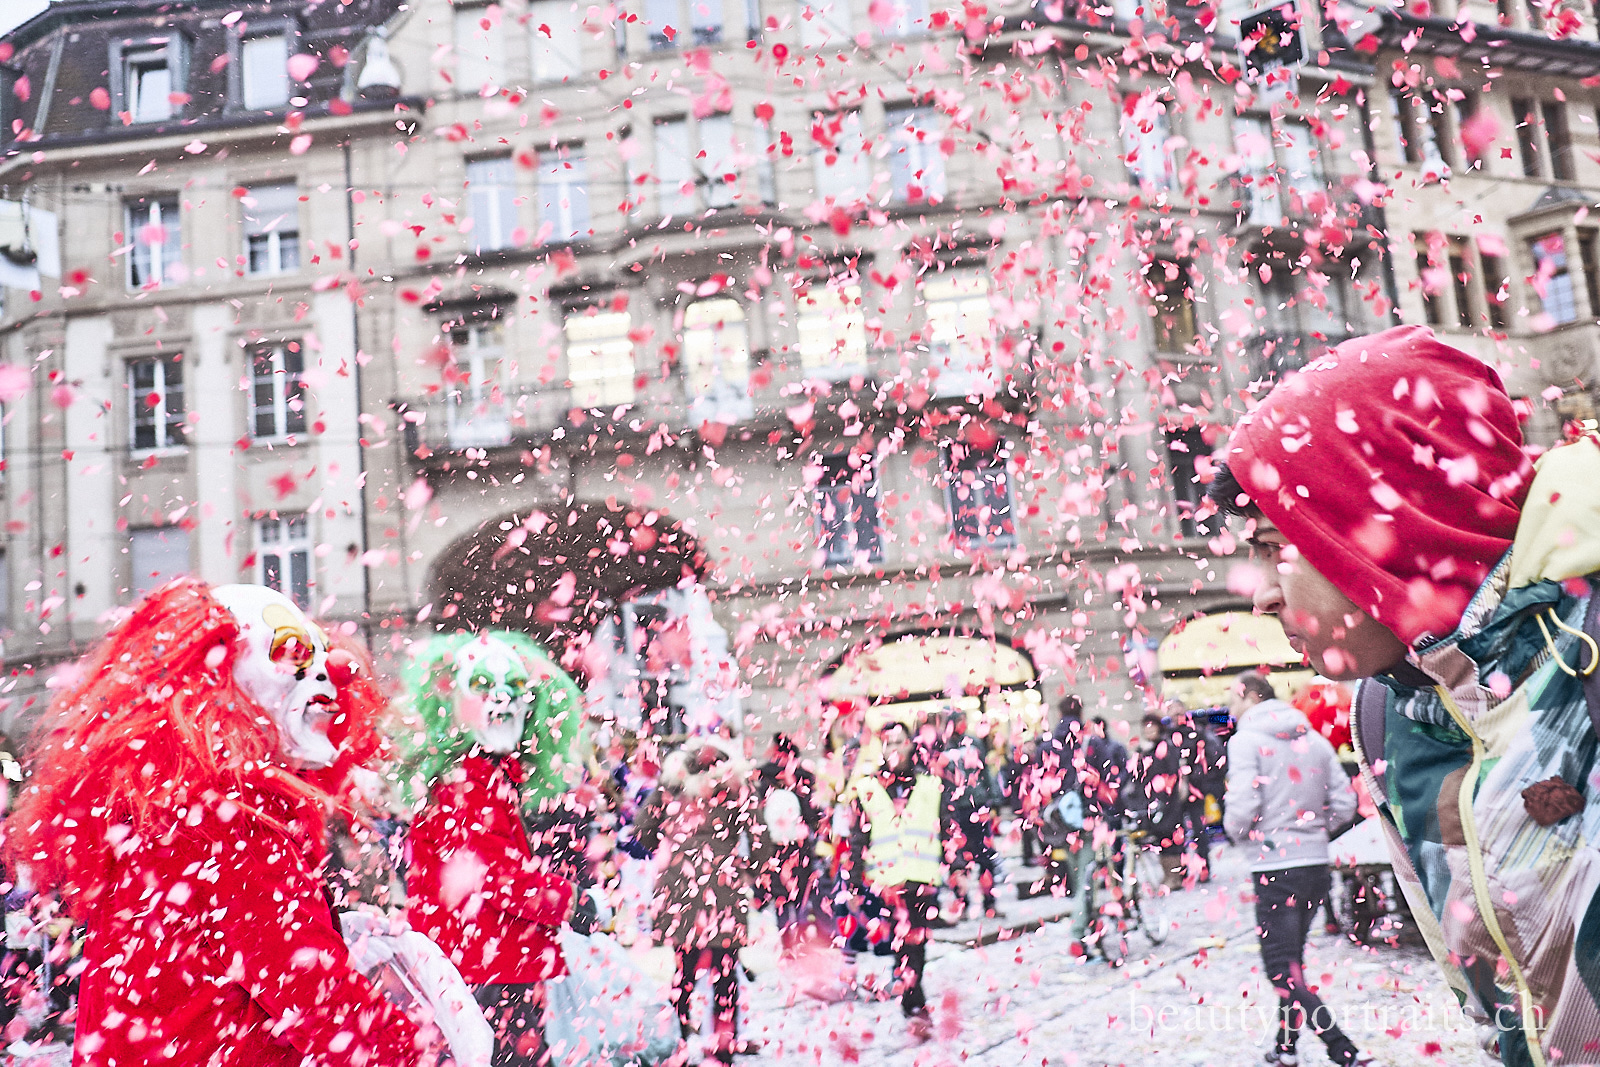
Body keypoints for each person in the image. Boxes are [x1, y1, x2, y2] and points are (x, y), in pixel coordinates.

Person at [1206, 323, 1600, 1066]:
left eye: (1270, 549)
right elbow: (1497, 1006)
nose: (1257, 596)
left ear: (1382, 527)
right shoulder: (1388, 714)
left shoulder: (1587, 650)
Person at [4, 580, 433, 1066]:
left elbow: (226, 958)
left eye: (321, 652)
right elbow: (322, 1002)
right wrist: (426, 1052)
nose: (330, 672)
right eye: (291, 650)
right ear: (217, 680)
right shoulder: (227, 822)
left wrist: (334, 931)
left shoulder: (170, 809)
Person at [399, 632, 582, 1067]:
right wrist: (566, 898)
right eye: (480, 684)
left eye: (517, 686)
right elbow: (493, 875)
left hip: (490, 963)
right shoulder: (466, 782)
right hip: (481, 968)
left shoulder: (487, 774)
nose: (502, 697)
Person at [1224, 671, 1370, 1067]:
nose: (1230, 709)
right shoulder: (1317, 742)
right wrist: (1314, 833)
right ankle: (1286, 1048)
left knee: (1280, 969)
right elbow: (1344, 805)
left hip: (1275, 865)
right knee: (1293, 963)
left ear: (1251, 697)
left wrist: (1241, 835)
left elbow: (1242, 808)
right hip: (1314, 865)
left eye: (1234, 699)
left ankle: (1343, 1049)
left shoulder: (1246, 742)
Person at [633, 737, 764, 1064]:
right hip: (723, 888)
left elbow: (643, 831)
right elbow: (760, 834)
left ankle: (676, 1045)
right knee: (725, 974)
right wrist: (752, 870)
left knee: (684, 974)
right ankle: (723, 1045)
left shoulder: (671, 793)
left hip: (681, 888)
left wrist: (673, 848)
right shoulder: (734, 792)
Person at [843, 720, 950, 1038]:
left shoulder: (931, 785)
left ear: (909, 745)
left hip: (922, 878)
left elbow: (945, 826)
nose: (893, 749)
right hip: (888, 882)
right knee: (906, 944)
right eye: (887, 743)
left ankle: (911, 1001)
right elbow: (857, 839)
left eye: (898, 742)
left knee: (916, 944)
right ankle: (914, 1005)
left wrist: (956, 868)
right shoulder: (866, 789)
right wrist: (852, 883)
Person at [756, 733, 822, 949]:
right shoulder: (804, 777)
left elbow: (758, 816)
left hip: (775, 849)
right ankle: (800, 944)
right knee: (801, 898)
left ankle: (787, 944)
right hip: (799, 848)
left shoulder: (764, 778)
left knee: (782, 899)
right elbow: (813, 815)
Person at [939, 711, 1004, 919]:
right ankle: (963, 904)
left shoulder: (974, 743)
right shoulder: (943, 748)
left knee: (985, 857)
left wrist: (994, 800)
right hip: (954, 811)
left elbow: (986, 772)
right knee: (958, 860)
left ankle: (990, 903)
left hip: (977, 807)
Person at [1122, 713, 1186, 889]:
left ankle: (1174, 877)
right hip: (1153, 802)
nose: (1148, 730)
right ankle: (1167, 876)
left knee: (1171, 840)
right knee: (1161, 839)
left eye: (1152, 726)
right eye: (1146, 727)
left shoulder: (1167, 747)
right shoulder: (1146, 750)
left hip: (1168, 801)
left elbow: (1172, 774)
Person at [1167, 703, 1224, 884]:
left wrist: (1195, 775)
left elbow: (1210, 759)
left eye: (1179, 713)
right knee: (1177, 834)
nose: (1177, 716)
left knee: (1199, 832)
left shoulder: (1197, 733)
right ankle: (1181, 871)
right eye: (1173, 713)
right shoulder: (1167, 736)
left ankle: (1203, 868)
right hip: (1174, 793)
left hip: (1195, 790)